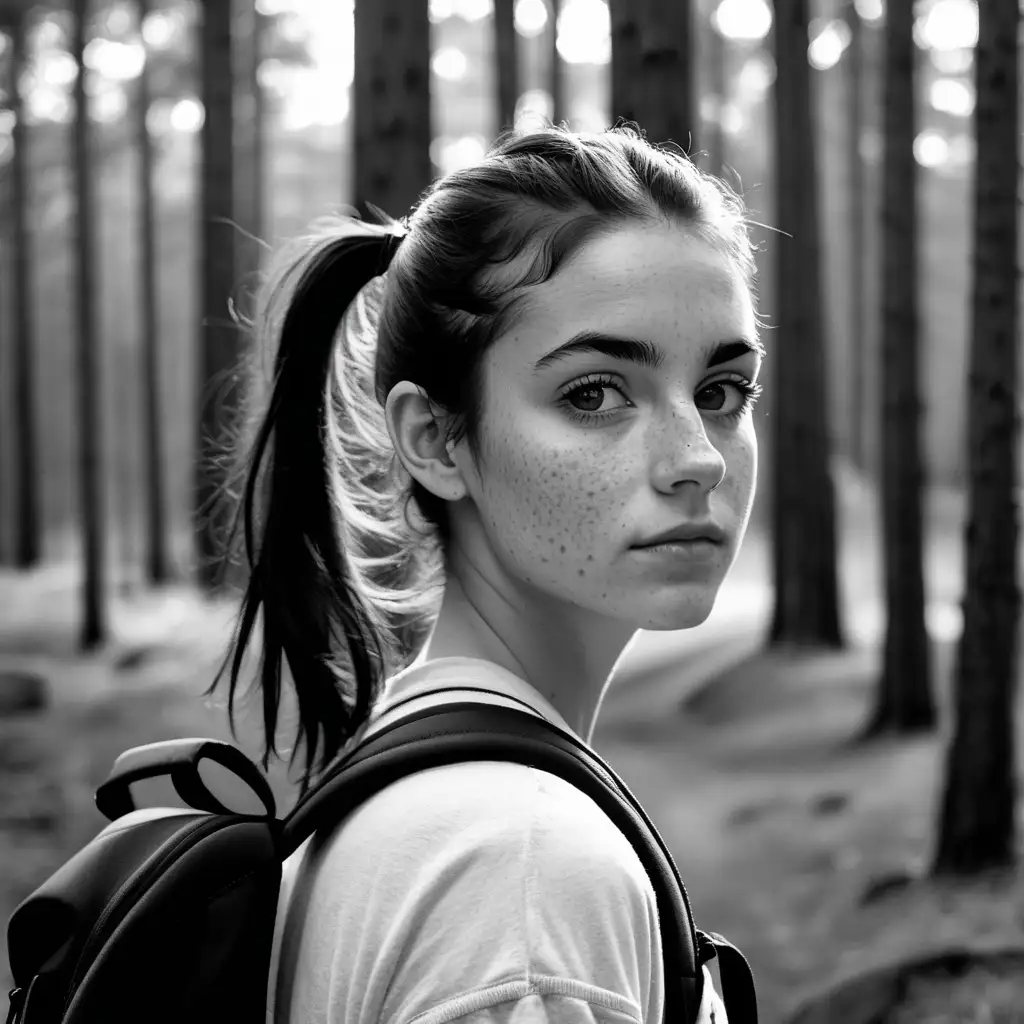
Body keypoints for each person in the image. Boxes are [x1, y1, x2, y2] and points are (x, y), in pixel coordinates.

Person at [210, 123, 763, 1024]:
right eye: (594, 393)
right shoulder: (523, 880)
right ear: (434, 440)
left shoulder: (428, 777)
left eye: (721, 391)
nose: (697, 457)